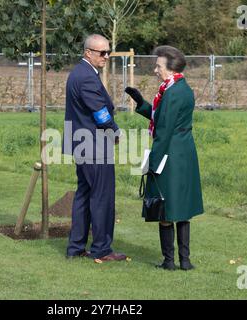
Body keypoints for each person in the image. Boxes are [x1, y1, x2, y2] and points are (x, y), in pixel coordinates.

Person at [125, 46, 204, 271]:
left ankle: (169, 261)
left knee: (165, 208)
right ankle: (185, 261)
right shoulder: (179, 88)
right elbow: (162, 118)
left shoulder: (171, 92)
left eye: (158, 66)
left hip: (169, 154)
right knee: (182, 208)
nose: (155, 70)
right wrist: (141, 102)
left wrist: (152, 163)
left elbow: (164, 129)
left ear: (170, 69)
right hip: (184, 154)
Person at [62, 34, 126, 262]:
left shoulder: (80, 73)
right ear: (88, 52)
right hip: (94, 146)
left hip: (83, 145)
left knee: (84, 196)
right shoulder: (87, 77)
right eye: (102, 53)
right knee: (102, 198)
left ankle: (76, 247)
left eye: (108, 52)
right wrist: (115, 132)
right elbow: (100, 112)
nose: (107, 57)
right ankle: (102, 249)